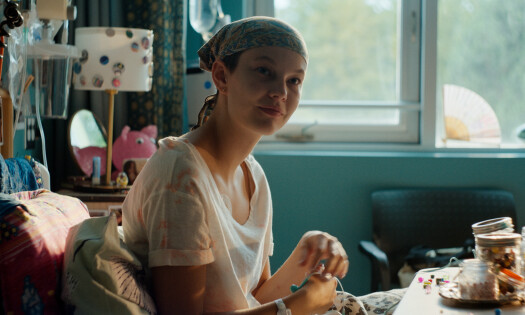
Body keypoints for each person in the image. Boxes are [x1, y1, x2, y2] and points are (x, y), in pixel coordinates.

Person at [122, 16, 349, 315]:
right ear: (221, 76)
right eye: (264, 71)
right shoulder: (179, 174)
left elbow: (253, 299)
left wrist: (304, 254)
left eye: (294, 80)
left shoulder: (253, 176)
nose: (280, 91)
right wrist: (296, 307)